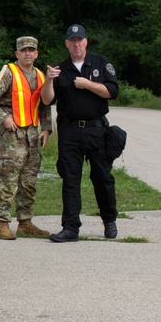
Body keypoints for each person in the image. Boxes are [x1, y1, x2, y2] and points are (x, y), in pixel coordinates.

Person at [41, 24, 119, 242]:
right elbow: (47, 100)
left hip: (96, 129)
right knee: (70, 179)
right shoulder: (60, 68)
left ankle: (109, 220)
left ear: (86, 41)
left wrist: (88, 84)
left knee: (102, 177)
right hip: (70, 131)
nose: (76, 44)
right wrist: (48, 80)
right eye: (72, 40)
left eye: (79, 40)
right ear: (67, 43)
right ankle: (70, 227)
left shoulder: (100, 63)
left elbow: (112, 91)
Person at [0, 36, 53, 240]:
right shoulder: (8, 73)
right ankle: (2, 223)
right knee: (9, 180)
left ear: (36, 53)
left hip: (32, 137)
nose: (27, 53)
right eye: (23, 50)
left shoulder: (40, 76)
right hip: (12, 136)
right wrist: (3, 117)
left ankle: (25, 222)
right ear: (17, 54)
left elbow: (45, 106)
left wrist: (46, 129)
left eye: (31, 50)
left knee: (29, 181)